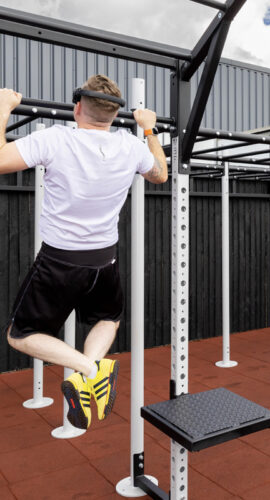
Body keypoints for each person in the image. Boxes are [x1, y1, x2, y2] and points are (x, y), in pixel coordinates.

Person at [0, 74, 168, 430]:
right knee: (109, 318)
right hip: (103, 259)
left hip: (60, 261)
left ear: (77, 107)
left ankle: (88, 368)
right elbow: (160, 175)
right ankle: (92, 373)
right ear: (113, 115)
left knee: (19, 334)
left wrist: (3, 108)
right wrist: (149, 130)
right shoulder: (131, 145)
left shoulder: (56, 139)